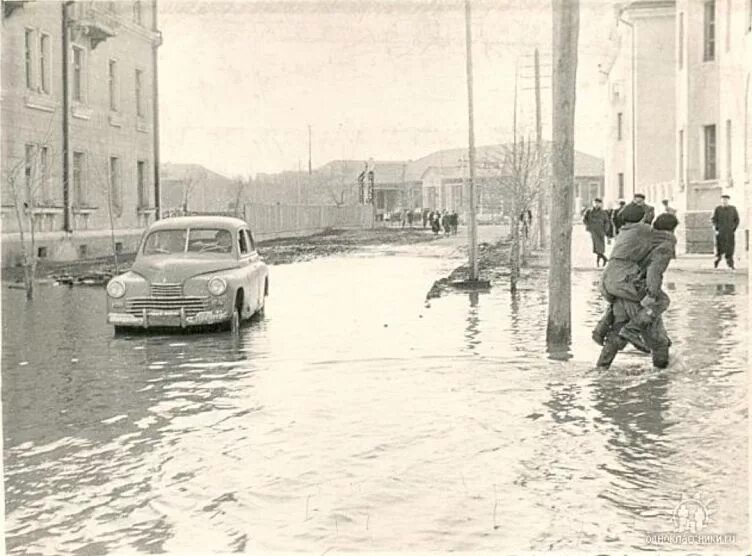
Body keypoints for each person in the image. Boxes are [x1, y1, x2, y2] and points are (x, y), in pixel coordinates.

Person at [594, 212, 678, 369]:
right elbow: (655, 271)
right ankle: (660, 380)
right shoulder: (665, 244)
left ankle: (601, 369)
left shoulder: (642, 236)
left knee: (617, 332)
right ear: (673, 229)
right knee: (660, 342)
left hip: (621, 286)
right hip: (637, 290)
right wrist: (652, 294)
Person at [711, 194, 740, 269]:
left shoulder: (733, 209)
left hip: (729, 232)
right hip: (720, 232)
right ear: (721, 201)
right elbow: (713, 220)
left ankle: (730, 264)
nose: (724, 201)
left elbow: (736, 220)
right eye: (723, 200)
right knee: (719, 247)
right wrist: (716, 229)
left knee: (730, 248)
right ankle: (717, 260)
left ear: (728, 201)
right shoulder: (717, 209)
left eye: (726, 200)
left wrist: (733, 228)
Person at [583, 198, 611, 267]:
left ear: (601, 204)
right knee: (597, 247)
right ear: (593, 203)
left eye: (598, 203)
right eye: (595, 203)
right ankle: (603, 259)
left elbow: (607, 222)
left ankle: (600, 261)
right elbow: (584, 219)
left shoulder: (603, 213)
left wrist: (605, 230)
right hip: (593, 231)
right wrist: (588, 226)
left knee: (600, 247)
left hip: (601, 231)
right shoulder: (589, 211)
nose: (596, 204)